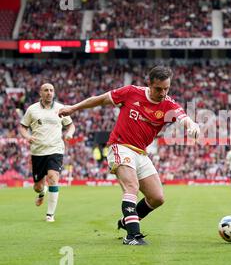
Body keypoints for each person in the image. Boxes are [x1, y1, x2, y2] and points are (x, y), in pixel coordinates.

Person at [58, 66, 200, 245]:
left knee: (157, 197)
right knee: (131, 186)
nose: (163, 93)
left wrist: (192, 125)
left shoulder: (169, 104)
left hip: (141, 153)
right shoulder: (131, 92)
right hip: (120, 146)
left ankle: (127, 221)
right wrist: (74, 108)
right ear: (149, 84)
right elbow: (101, 100)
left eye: (166, 88)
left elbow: (183, 118)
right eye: (158, 89)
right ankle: (132, 236)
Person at [19, 83, 75, 222]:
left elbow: (71, 125)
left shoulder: (60, 108)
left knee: (53, 177)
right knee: (38, 186)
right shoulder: (32, 109)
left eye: (51, 90)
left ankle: (50, 214)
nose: (49, 93)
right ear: (40, 93)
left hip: (55, 149)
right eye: (46, 90)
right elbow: (22, 127)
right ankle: (41, 192)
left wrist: (70, 133)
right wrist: (27, 137)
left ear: (54, 93)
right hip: (38, 151)